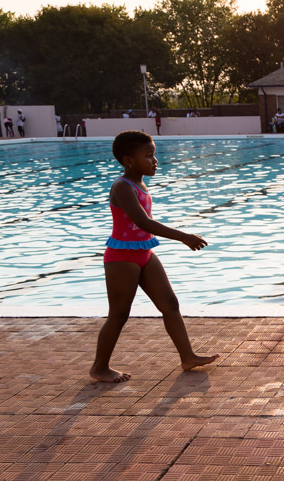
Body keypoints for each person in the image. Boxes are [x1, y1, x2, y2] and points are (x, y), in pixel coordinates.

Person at [90, 130, 218, 383]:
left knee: (170, 304)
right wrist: (183, 236)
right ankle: (99, 367)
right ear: (128, 161)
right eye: (148, 156)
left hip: (144, 254)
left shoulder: (140, 184)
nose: (155, 161)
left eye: (154, 155)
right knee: (119, 314)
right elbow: (143, 222)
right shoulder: (122, 186)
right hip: (122, 258)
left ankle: (187, 357)